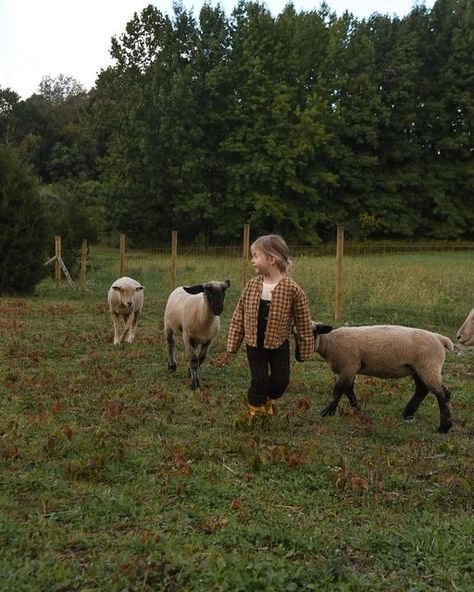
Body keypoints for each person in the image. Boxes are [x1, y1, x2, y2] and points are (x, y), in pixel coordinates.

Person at [227, 234, 314, 417]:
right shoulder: (251, 286)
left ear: (272, 259)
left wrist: (305, 349)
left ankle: (268, 399)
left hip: (278, 345)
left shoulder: (292, 289)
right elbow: (238, 316)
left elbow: (304, 321)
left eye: (256, 256)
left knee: (280, 381)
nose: (252, 261)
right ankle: (255, 412)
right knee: (259, 380)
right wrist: (233, 342)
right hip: (254, 345)